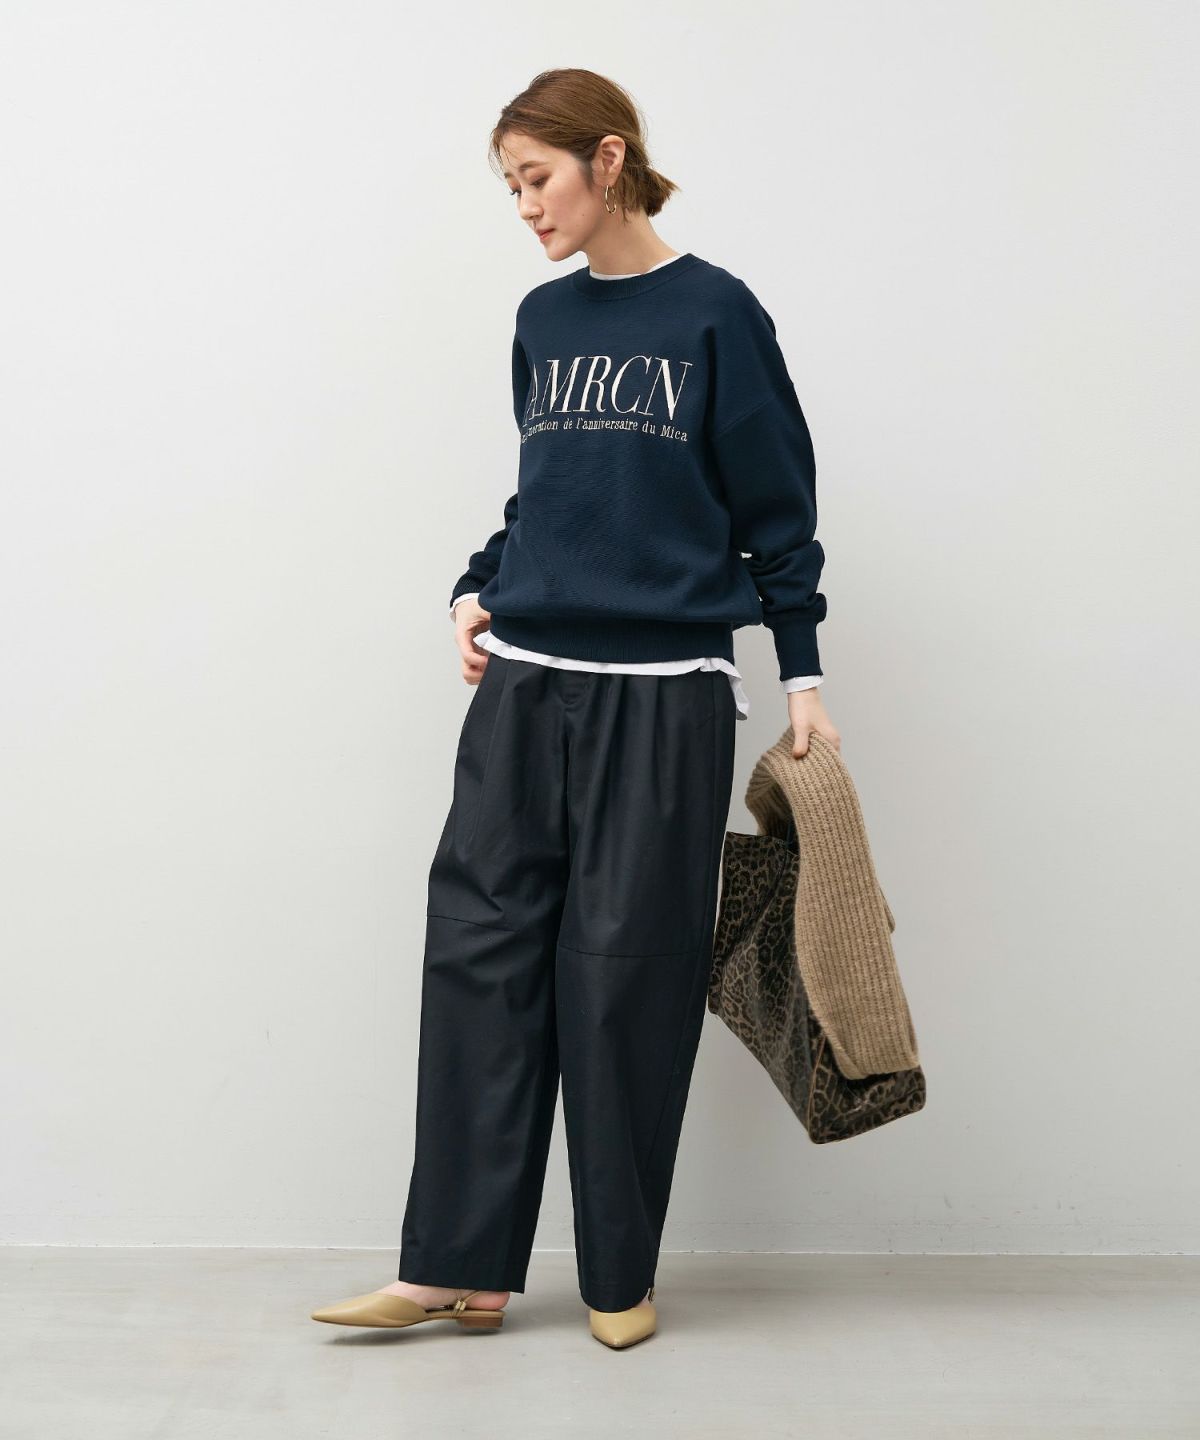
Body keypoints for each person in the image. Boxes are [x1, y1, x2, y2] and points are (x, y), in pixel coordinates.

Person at [311, 67, 840, 1350]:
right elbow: (547, 491)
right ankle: (458, 1269)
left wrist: (802, 672)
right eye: (510, 188)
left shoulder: (717, 313)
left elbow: (777, 503)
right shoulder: (543, 319)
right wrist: (476, 588)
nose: (525, 208)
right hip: (525, 685)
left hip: (662, 698)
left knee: (625, 977)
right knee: (479, 957)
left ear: (609, 160)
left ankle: (617, 1276)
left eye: (536, 179)